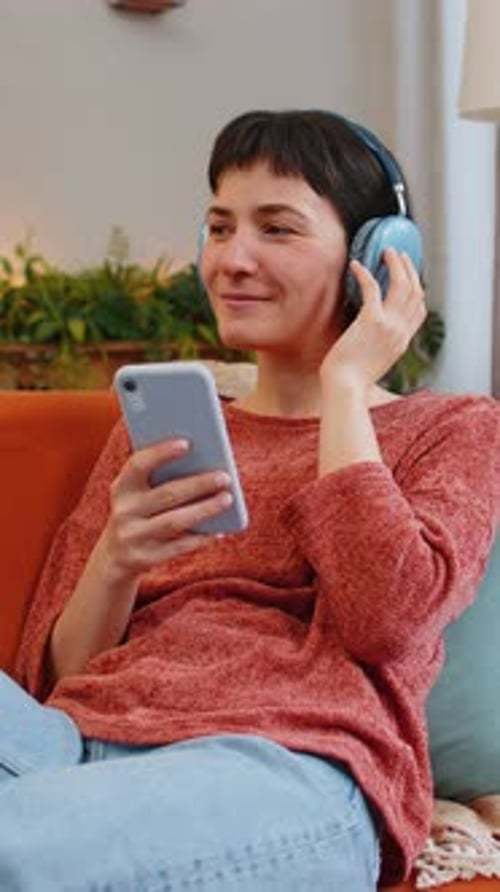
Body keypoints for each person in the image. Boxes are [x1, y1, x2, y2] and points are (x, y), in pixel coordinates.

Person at [1, 109, 499, 892]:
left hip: (283, 762)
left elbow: (386, 618)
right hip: (73, 741)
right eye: (219, 226)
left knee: (19, 853)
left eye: (277, 229)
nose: (232, 259)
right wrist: (116, 560)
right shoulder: (155, 431)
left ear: (377, 256)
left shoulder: (453, 429)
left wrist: (343, 384)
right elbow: (55, 680)